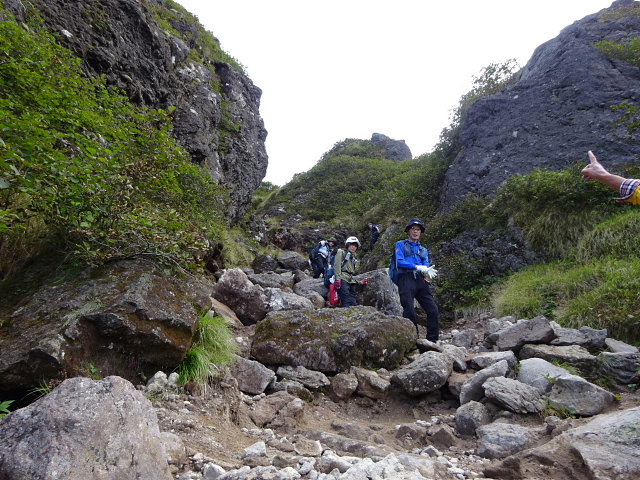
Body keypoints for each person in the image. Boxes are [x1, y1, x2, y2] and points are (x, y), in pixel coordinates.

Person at [394, 218, 439, 341]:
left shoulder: (424, 250)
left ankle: (432, 340)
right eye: (413, 229)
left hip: (420, 279)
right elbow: (400, 261)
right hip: (406, 278)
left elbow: (426, 264)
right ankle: (412, 339)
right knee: (409, 309)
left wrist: (427, 271)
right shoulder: (401, 244)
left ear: (421, 232)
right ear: (408, 231)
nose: (415, 232)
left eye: (418, 229)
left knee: (433, 309)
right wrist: (417, 266)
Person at [333, 236, 368, 307]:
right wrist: (338, 279)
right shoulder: (341, 252)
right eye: (351, 245)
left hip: (349, 280)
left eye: (355, 246)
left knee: (353, 302)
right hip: (342, 279)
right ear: (347, 245)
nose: (353, 247)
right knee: (346, 300)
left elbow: (350, 275)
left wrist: (361, 282)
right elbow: (337, 266)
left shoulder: (353, 258)